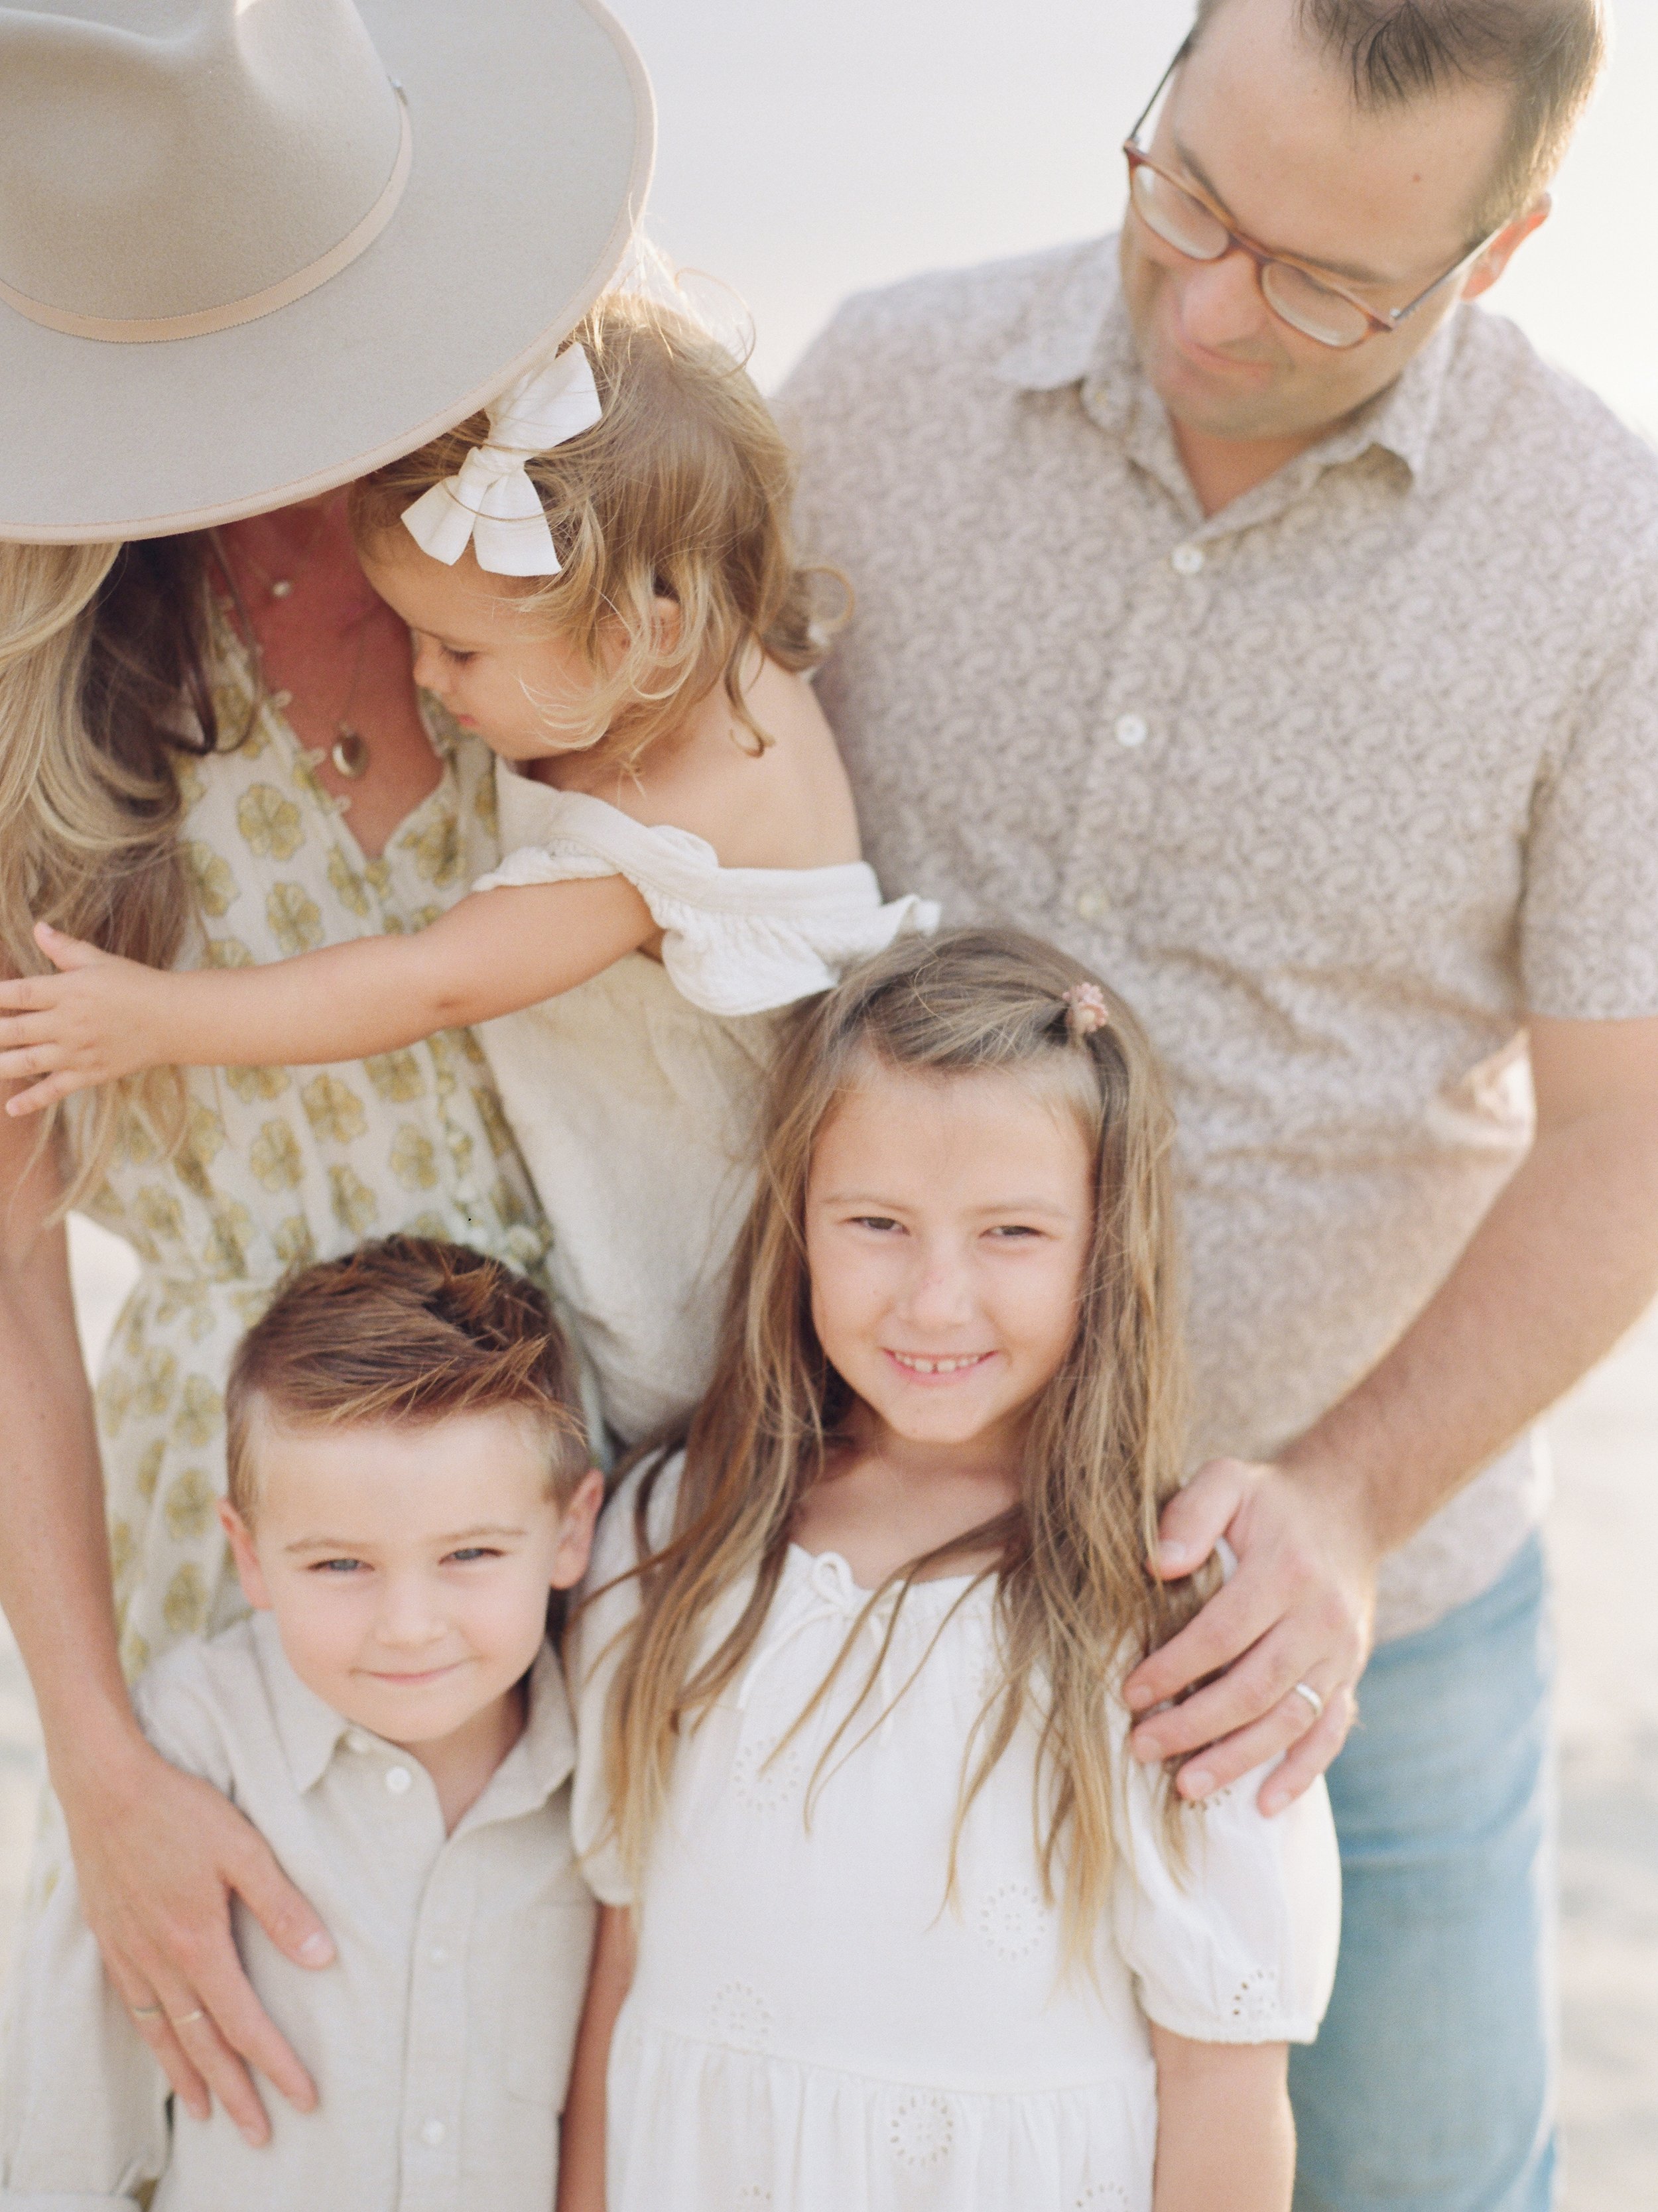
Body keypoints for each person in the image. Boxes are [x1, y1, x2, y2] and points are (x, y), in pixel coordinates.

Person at [781, 2, 1658, 2204]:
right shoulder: (874, 391)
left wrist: (1344, 1508)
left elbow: (1628, 1135)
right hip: (861, 1596)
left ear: (1499, 247)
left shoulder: (1608, 560)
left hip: (1354, 1641)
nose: (1206, 305)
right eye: (1186, 192)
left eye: (1326, 285)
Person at [0, 0, 651, 2148]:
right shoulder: (31, 679)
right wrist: (98, 1751)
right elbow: (7, 1268)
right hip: (248, 1539)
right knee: (234, 2128)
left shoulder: (592, 535)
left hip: (605, 1488)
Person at [0, 292, 936, 1447]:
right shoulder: (712, 671)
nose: (427, 679)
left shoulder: (661, 829)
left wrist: (154, 1020)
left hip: (708, 1279)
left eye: (459, 649)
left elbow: (431, 981)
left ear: (639, 635)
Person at [558, 928, 1342, 2212]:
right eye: (876, 1223)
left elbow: (1222, 2080)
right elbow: (620, 1958)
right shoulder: (672, 1538)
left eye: (1010, 1233)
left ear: (1104, 1248)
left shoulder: (1169, 1615)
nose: (933, 1300)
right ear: (797, 1222)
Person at [1, 1235, 604, 2208]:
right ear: (248, 1555)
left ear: (572, 1531)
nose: (409, 1626)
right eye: (340, 1565)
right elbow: (69, 2139)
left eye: (470, 1555)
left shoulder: (603, 1762)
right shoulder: (189, 1748)